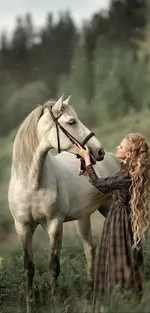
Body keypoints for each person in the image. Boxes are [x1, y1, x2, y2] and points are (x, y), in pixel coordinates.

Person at [74, 133, 150, 311]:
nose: (117, 148)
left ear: (130, 154)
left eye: (122, 147)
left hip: (119, 221)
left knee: (117, 259)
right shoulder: (129, 171)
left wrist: (87, 159)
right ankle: (127, 300)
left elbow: (101, 184)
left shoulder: (126, 175)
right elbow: (104, 183)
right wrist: (87, 170)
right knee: (124, 258)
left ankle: (118, 299)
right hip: (123, 219)